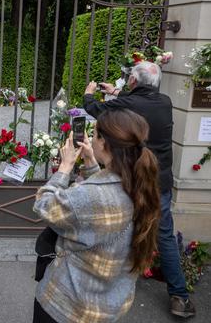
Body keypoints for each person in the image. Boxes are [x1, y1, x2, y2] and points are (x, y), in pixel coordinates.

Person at [85, 61, 195, 318]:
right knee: (164, 236)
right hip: (160, 182)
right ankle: (180, 297)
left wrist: (90, 92)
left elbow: (94, 109)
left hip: (132, 180)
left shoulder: (127, 105)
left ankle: (103, 286)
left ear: (133, 81)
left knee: (116, 227)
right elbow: (141, 101)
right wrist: (116, 92)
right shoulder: (165, 102)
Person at [33, 109, 161, 323]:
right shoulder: (140, 185)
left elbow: (44, 205)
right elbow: (105, 205)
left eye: (94, 134)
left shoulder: (88, 197)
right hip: (108, 307)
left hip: (67, 306)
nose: (91, 139)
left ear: (104, 143)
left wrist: (64, 168)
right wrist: (93, 165)